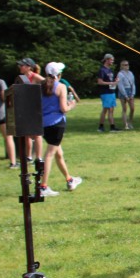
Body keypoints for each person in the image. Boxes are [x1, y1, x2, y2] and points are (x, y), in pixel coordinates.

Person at [38, 62, 81, 196]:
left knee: (58, 153)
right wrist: (71, 105)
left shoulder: (40, 86)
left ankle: (69, 180)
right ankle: (43, 187)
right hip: (57, 124)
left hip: (43, 124)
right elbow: (64, 108)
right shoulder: (61, 86)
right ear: (59, 75)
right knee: (49, 155)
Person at [15, 57, 46, 161]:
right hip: (25, 108)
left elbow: (47, 84)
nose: (20, 67)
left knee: (37, 134)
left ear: (29, 67)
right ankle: (28, 156)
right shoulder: (21, 78)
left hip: (36, 108)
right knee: (27, 133)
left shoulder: (35, 76)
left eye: (22, 65)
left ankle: (39, 157)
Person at [96, 53, 118, 133]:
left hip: (111, 92)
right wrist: (111, 83)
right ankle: (108, 127)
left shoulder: (110, 70)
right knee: (107, 109)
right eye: (111, 60)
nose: (112, 62)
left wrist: (115, 81)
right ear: (107, 60)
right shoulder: (102, 70)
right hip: (105, 92)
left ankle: (107, 126)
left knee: (110, 109)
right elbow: (100, 82)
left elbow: (111, 80)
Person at [116, 60, 136, 129]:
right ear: (121, 66)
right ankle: (126, 124)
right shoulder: (120, 74)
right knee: (124, 108)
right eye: (125, 65)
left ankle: (130, 122)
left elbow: (133, 84)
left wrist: (133, 93)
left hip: (130, 90)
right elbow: (120, 85)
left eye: (127, 64)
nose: (127, 66)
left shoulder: (130, 73)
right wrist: (125, 95)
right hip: (123, 91)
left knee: (132, 108)